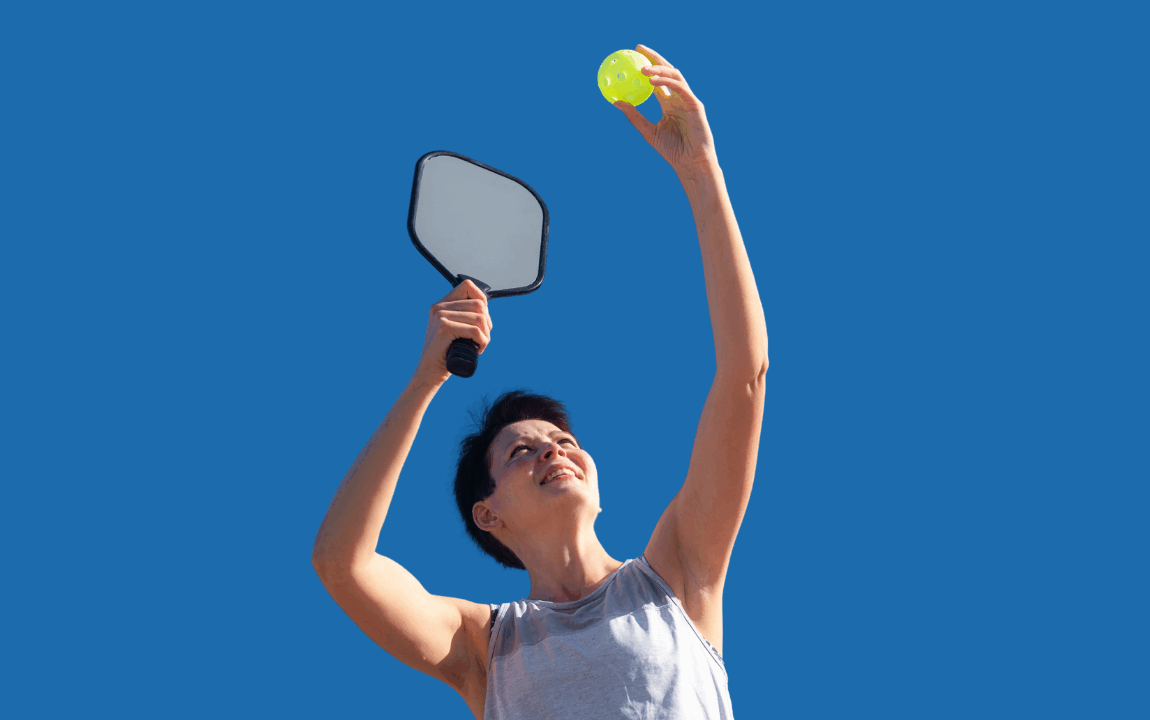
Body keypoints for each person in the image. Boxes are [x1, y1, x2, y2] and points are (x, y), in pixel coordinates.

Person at [311, 43, 768, 720]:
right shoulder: (482, 645)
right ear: (487, 514)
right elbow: (343, 564)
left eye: (560, 439)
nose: (555, 450)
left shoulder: (678, 575)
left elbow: (744, 376)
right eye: (522, 451)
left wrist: (702, 174)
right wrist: (423, 383)